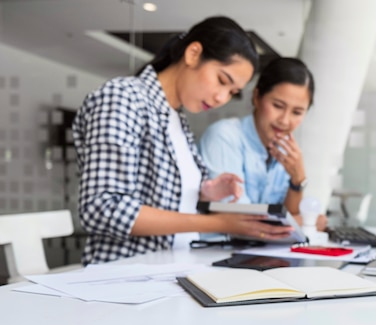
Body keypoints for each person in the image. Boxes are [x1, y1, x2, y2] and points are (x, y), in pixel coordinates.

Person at [72, 16, 293, 265]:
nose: (222, 97)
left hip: (167, 272)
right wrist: (218, 222)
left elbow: (165, 201)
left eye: (232, 92)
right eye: (222, 80)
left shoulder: (176, 118)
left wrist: (206, 193)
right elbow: (102, 208)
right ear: (193, 54)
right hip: (122, 277)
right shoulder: (123, 98)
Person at [198, 57, 326, 230]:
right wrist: (306, 221)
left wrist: (297, 180)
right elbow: (239, 219)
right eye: (278, 106)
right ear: (257, 97)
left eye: (297, 112)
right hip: (215, 251)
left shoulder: (285, 152)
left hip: (260, 253)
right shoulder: (224, 136)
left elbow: (289, 223)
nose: (285, 120)